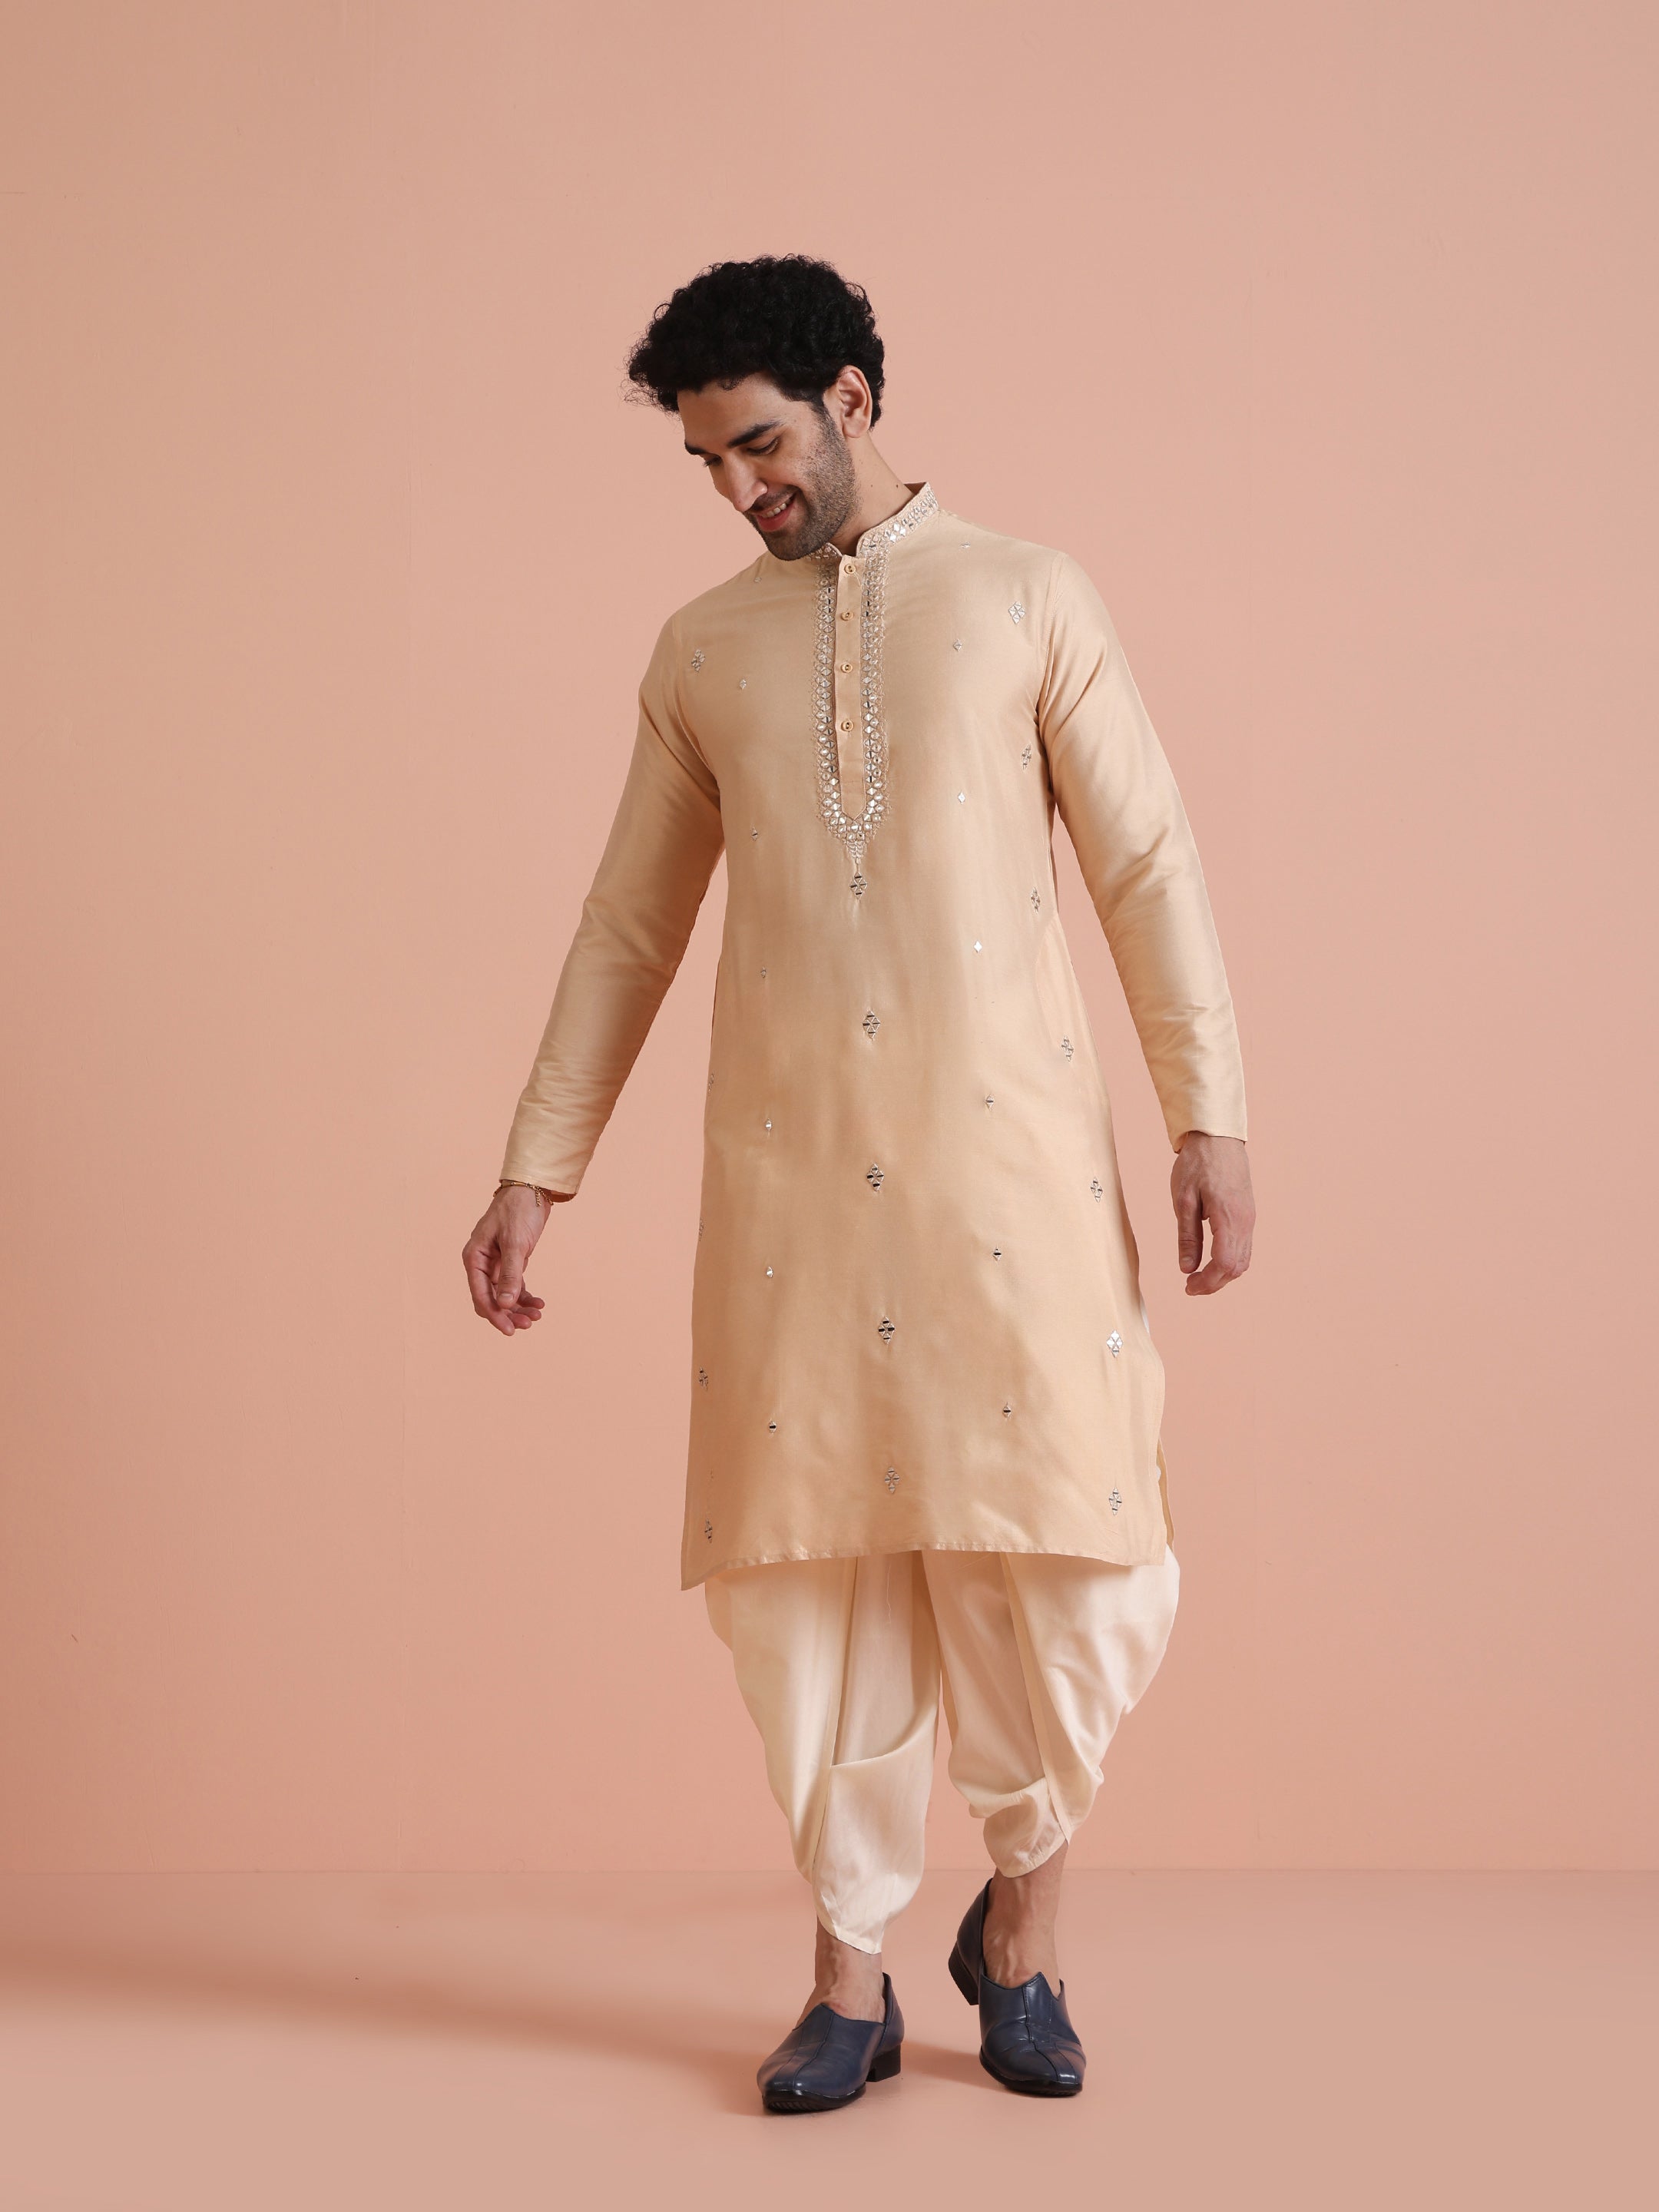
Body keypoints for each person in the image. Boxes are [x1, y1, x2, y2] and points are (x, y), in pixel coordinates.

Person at [462, 255, 1253, 2112]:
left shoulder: (1028, 595)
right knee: (813, 1585)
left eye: (758, 444)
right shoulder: (703, 652)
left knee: (1072, 1568)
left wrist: (1206, 1111)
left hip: (1014, 1180)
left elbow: (1145, 861)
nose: (739, 487)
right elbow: (628, 927)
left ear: (852, 397)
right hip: (796, 1191)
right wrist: (537, 1168)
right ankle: (848, 1981)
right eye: (706, 463)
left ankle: (1022, 1937)